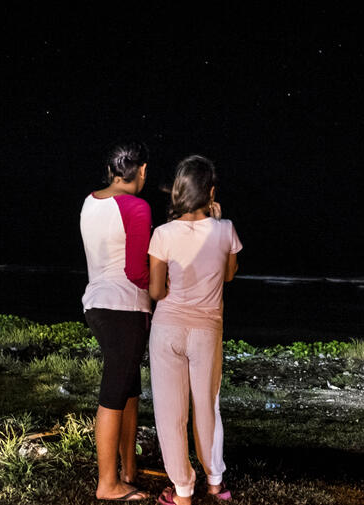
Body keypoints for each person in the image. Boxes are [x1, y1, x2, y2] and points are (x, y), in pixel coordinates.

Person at [147, 155, 241, 505]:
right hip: (207, 331)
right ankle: (215, 482)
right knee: (207, 405)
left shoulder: (162, 234)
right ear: (211, 191)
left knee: (170, 412)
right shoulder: (226, 229)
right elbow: (229, 274)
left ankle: (183, 490)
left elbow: (156, 292)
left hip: (168, 328)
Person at [79, 142, 152, 501]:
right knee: (114, 393)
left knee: (129, 389)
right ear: (141, 171)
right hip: (124, 307)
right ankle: (108, 484)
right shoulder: (137, 207)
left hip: (97, 304)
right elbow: (138, 272)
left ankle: (128, 470)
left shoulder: (90, 201)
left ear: (111, 170)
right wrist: (165, 287)